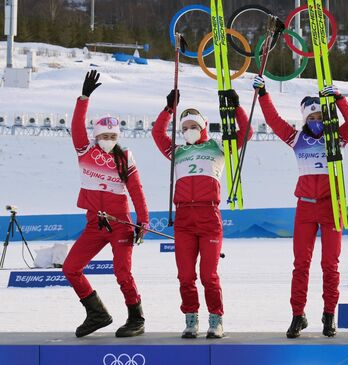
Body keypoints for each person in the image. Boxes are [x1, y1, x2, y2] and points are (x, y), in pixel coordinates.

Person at [253, 75, 348, 338]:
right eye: (311, 119)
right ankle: (298, 315)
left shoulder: (337, 138)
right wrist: (264, 94)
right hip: (305, 208)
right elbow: (274, 121)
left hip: (331, 207)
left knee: (330, 265)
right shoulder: (296, 138)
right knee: (301, 264)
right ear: (305, 120)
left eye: (319, 118)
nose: (316, 122)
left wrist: (340, 99)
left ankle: (329, 315)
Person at [152, 88, 252, 339]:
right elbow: (156, 133)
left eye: (193, 125)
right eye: (184, 127)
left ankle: (216, 319)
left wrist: (237, 107)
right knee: (186, 276)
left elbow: (246, 133)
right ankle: (191, 319)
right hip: (184, 219)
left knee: (209, 275)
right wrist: (168, 109)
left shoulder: (219, 148)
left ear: (203, 126)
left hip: (209, 217)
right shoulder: (176, 151)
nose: (188, 130)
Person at [63, 70, 150, 338]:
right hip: (94, 224)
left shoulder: (125, 159)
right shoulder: (85, 150)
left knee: (122, 272)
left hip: (120, 225)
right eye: (104, 135)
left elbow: (136, 190)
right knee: (70, 268)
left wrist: (143, 221)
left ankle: (136, 318)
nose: (109, 140)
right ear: (96, 136)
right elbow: (77, 126)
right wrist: (83, 98)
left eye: (113, 136)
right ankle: (97, 313)